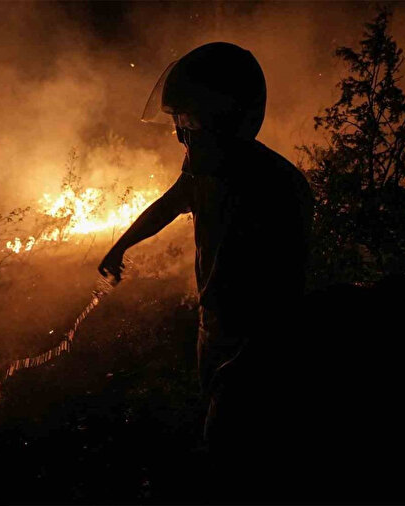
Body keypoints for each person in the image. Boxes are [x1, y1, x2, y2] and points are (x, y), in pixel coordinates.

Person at [98, 42, 312, 495]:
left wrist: (254, 352)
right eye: (179, 124)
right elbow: (168, 205)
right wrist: (121, 245)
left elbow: (284, 285)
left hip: (257, 340)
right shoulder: (202, 169)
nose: (181, 137)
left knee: (242, 450)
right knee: (217, 433)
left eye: (190, 125)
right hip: (213, 327)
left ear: (228, 119)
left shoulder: (277, 187)